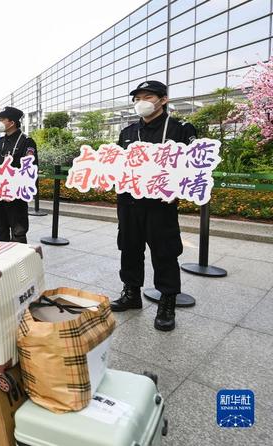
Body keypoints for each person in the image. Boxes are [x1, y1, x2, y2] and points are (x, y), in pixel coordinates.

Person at [110, 80, 197, 332]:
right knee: (129, 247)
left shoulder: (181, 129)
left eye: (147, 97)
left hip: (160, 205)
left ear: (163, 100)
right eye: (137, 98)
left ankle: (167, 301)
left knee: (164, 252)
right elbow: (118, 165)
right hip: (128, 202)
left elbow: (193, 167)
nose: (141, 103)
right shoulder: (127, 132)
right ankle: (131, 293)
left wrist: (178, 190)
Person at [0, 106, 37, 243]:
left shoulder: (26, 142)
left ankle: (19, 263)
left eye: (2, 119)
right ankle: (4, 262)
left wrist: (14, 191)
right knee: (0, 231)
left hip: (15, 198)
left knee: (18, 234)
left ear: (12, 122)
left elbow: (29, 171)